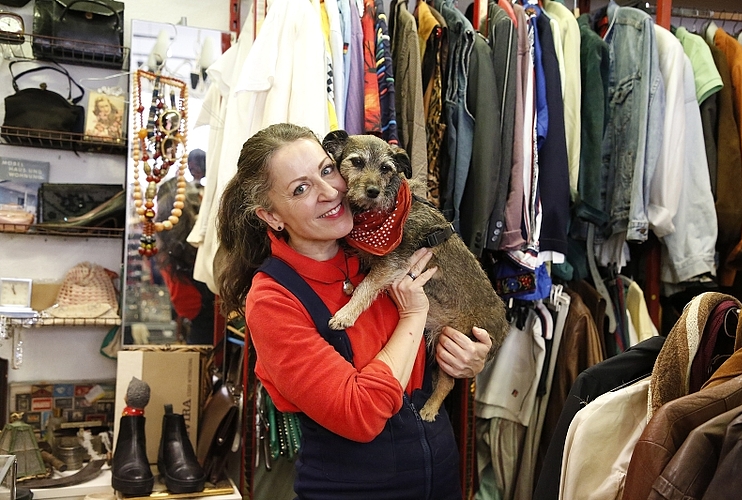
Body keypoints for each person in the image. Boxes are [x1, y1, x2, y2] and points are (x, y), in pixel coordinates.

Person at [216, 123, 492, 499]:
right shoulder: (273, 301)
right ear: (272, 217)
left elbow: (436, 347)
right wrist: (412, 317)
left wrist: (467, 358)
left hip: (441, 476)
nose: (330, 193)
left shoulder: (382, 250)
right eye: (301, 188)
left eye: (327, 170)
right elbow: (359, 413)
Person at [155, 177, 215, 345]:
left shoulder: (168, 246)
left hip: (200, 322)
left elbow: (186, 305)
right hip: (220, 317)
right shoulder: (205, 228)